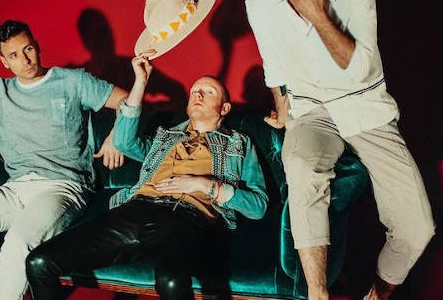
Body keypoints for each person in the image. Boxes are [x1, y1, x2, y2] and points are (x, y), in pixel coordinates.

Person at [245, 0, 435, 300]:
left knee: (418, 228)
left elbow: (359, 68)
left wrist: (318, 15)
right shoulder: (260, 5)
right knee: (301, 167)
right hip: (311, 111)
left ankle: (376, 296)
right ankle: (318, 294)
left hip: (366, 108)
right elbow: (273, 65)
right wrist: (282, 107)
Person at [25, 52, 268, 300]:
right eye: (195, 91)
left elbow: (258, 206)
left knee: (171, 282)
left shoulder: (238, 143)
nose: (198, 95)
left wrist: (203, 184)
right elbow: (123, 142)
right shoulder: (165, 138)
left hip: (184, 217)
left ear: (224, 108)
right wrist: (140, 81)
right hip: (135, 209)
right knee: (39, 262)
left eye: (208, 92)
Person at [0, 20, 128, 300]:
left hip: (63, 186)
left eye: (28, 49)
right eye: (14, 55)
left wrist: (116, 137)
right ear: (4, 62)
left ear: (37, 46)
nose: (24, 60)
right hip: (16, 189)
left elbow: (126, 100)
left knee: (17, 244)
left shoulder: (72, 81)